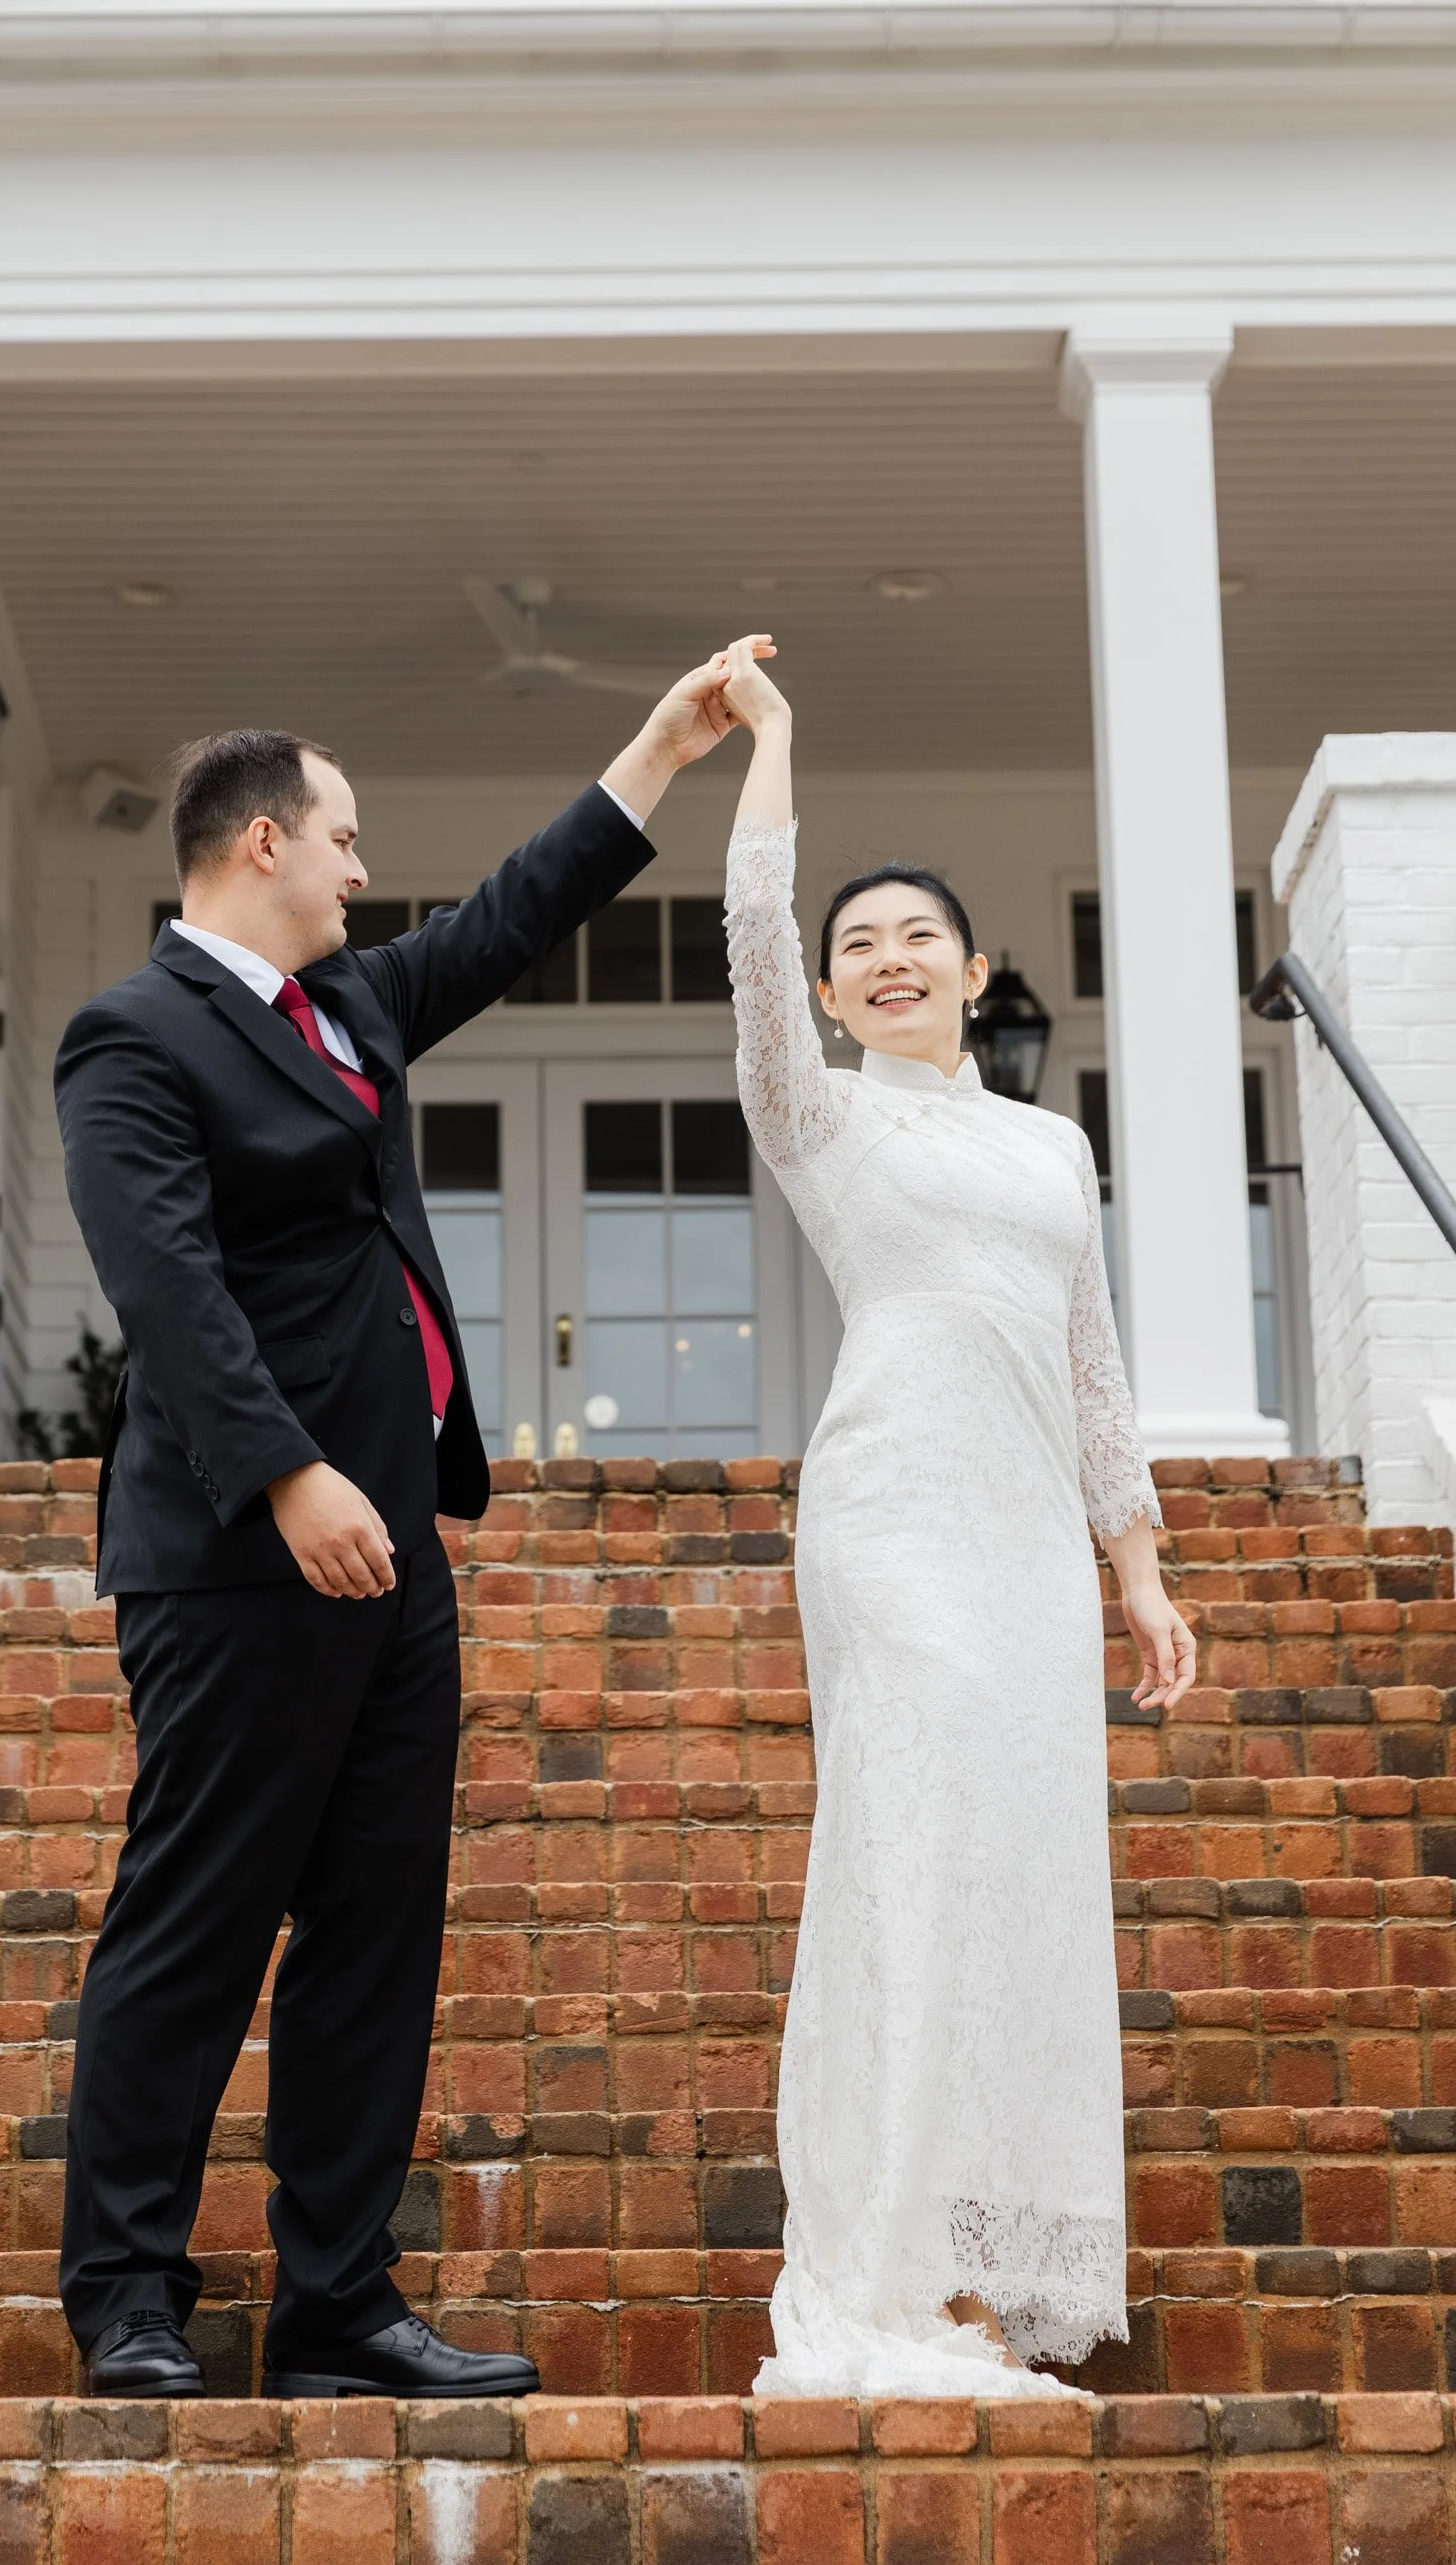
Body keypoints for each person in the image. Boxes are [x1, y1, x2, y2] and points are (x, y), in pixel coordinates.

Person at [53, 665, 744, 2400]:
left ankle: (337, 2301)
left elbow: (515, 916)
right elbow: (169, 1286)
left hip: (396, 1551)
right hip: (237, 1550)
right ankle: (128, 2291)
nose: (365, 873)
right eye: (346, 841)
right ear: (264, 838)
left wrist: (660, 751)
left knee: (378, 1921)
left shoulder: (347, 1005)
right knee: (198, 1915)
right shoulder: (130, 1035)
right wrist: (287, 1473)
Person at [715, 631, 1196, 2395]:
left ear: (977, 970)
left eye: (918, 933)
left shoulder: (1053, 1153)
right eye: (861, 948)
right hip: (896, 1517)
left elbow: (1091, 1356)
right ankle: (879, 2268)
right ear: (835, 998)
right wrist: (771, 741)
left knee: (1016, 1876)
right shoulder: (821, 1114)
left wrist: (1132, 1563)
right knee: (911, 1858)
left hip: (1025, 1543)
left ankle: (976, 2262)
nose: (887, 957)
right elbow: (755, 945)